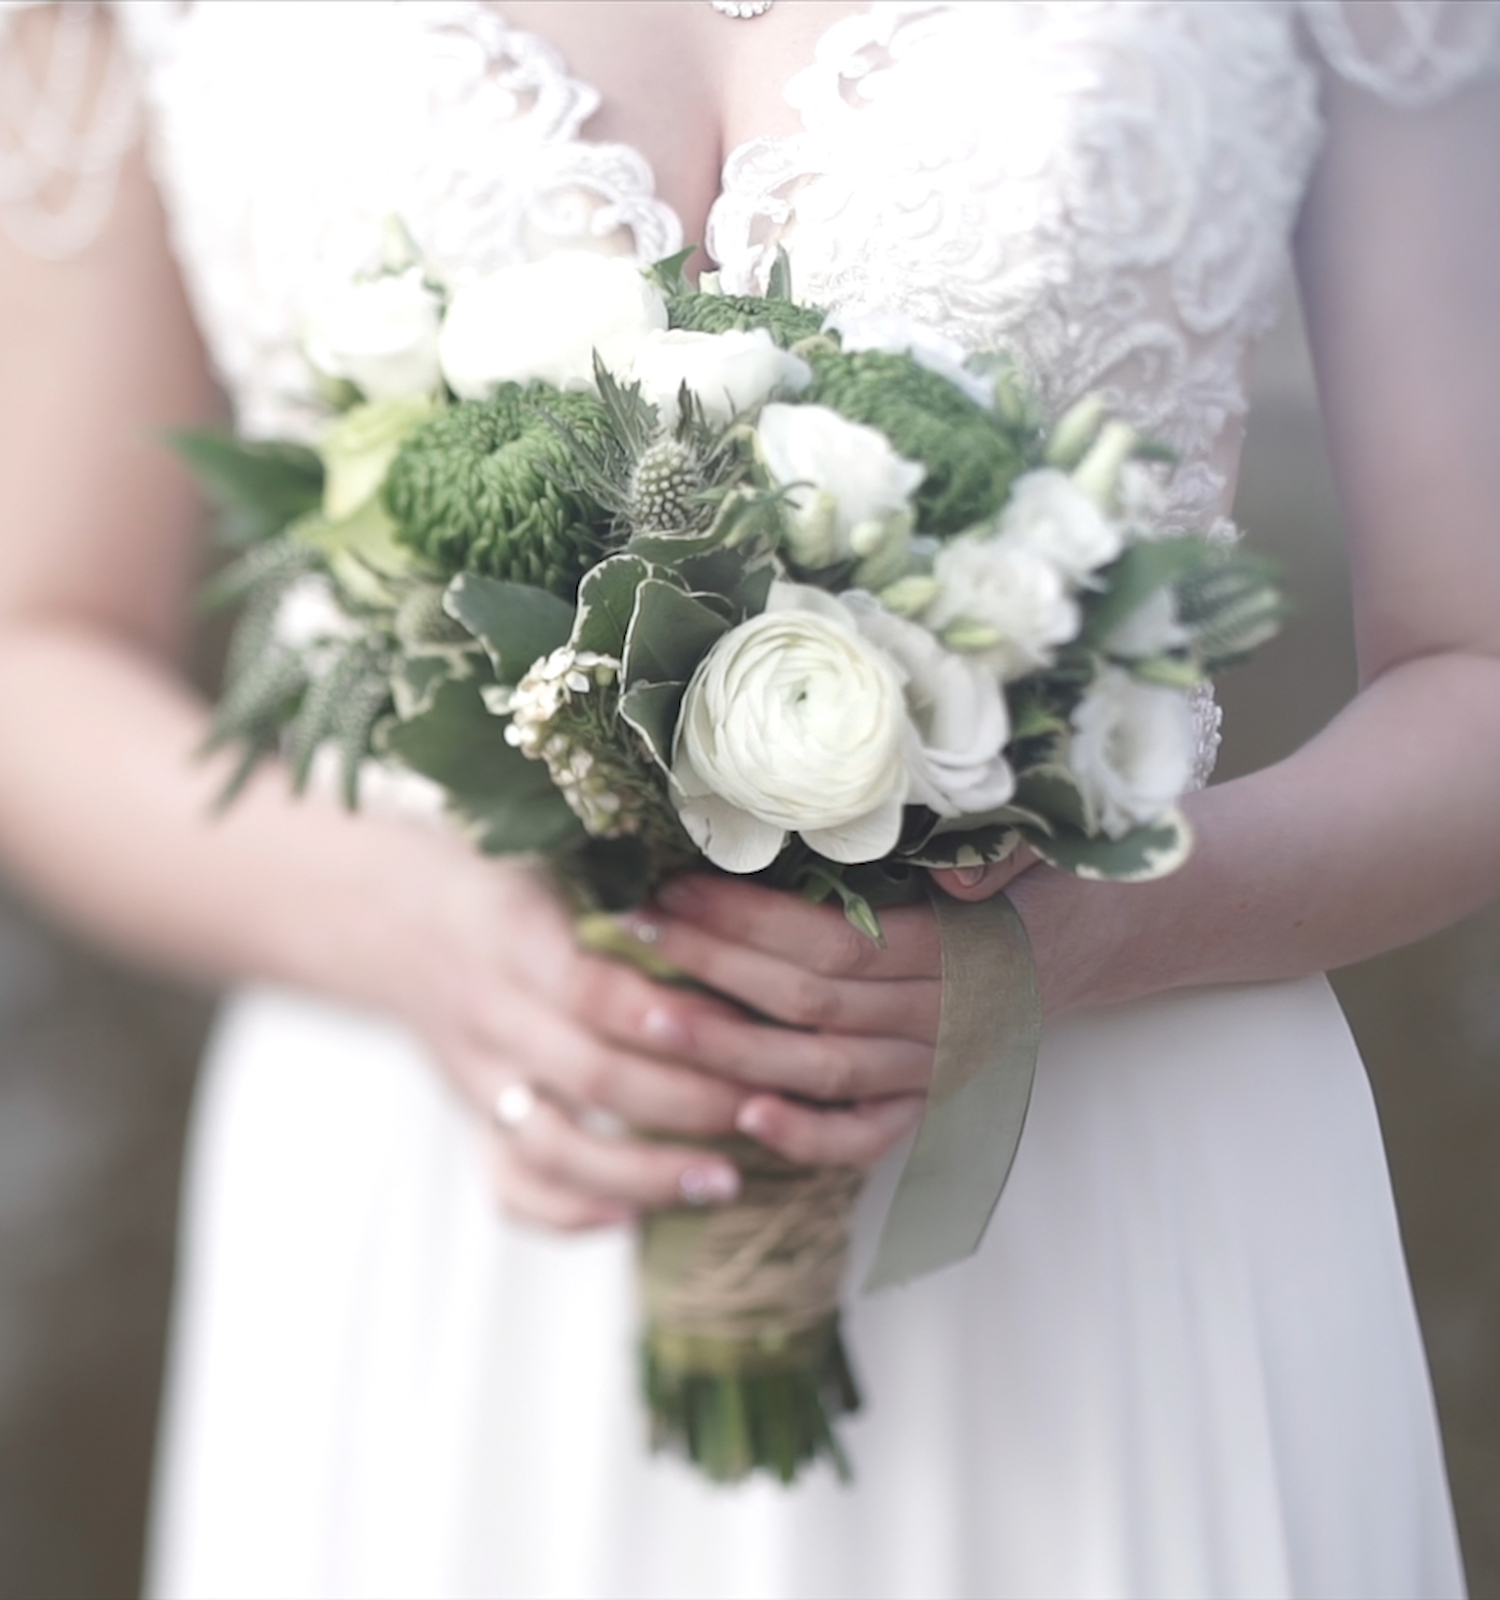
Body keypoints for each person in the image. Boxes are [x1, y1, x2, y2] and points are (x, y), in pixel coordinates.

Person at [0, 0, 1496, 1594]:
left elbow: (1474, 668)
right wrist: (412, 926)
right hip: (464, 1166)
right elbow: (43, 648)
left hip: (1120, 1176)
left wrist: (1102, 937)